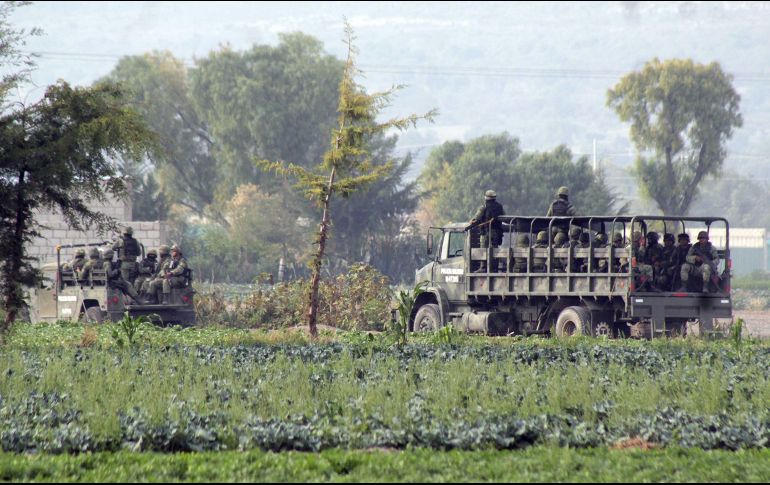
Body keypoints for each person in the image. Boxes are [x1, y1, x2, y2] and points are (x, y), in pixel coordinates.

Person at [468, 190, 504, 273]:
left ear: (486, 197)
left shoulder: (483, 207)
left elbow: (475, 219)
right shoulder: (499, 207)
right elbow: (503, 216)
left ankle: (483, 267)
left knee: (483, 249)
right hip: (496, 233)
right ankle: (494, 268)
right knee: (495, 249)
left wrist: (472, 222)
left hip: (486, 233)